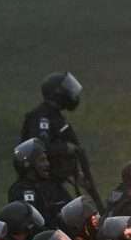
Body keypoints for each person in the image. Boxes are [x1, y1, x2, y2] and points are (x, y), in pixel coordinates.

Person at [20, 71, 103, 210]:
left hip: (56, 180)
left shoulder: (54, 115)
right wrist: (65, 148)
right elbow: (38, 146)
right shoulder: (42, 117)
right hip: (45, 183)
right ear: (57, 94)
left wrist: (77, 173)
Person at [8, 137, 69, 227]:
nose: (47, 164)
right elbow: (33, 224)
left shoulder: (53, 185)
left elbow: (71, 208)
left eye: (46, 159)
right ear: (29, 166)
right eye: (42, 160)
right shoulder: (20, 191)